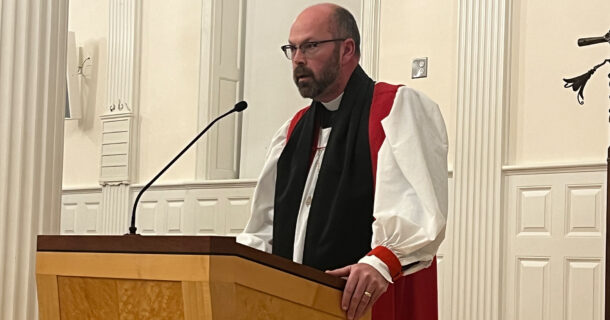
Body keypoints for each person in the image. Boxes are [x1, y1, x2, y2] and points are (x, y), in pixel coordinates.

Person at [237, 3, 448, 320]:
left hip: (364, 304)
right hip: (294, 302)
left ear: (347, 49)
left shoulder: (394, 109)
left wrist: (380, 261)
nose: (298, 59)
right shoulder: (293, 131)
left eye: (310, 46)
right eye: (292, 49)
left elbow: (416, 211)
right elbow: (265, 228)